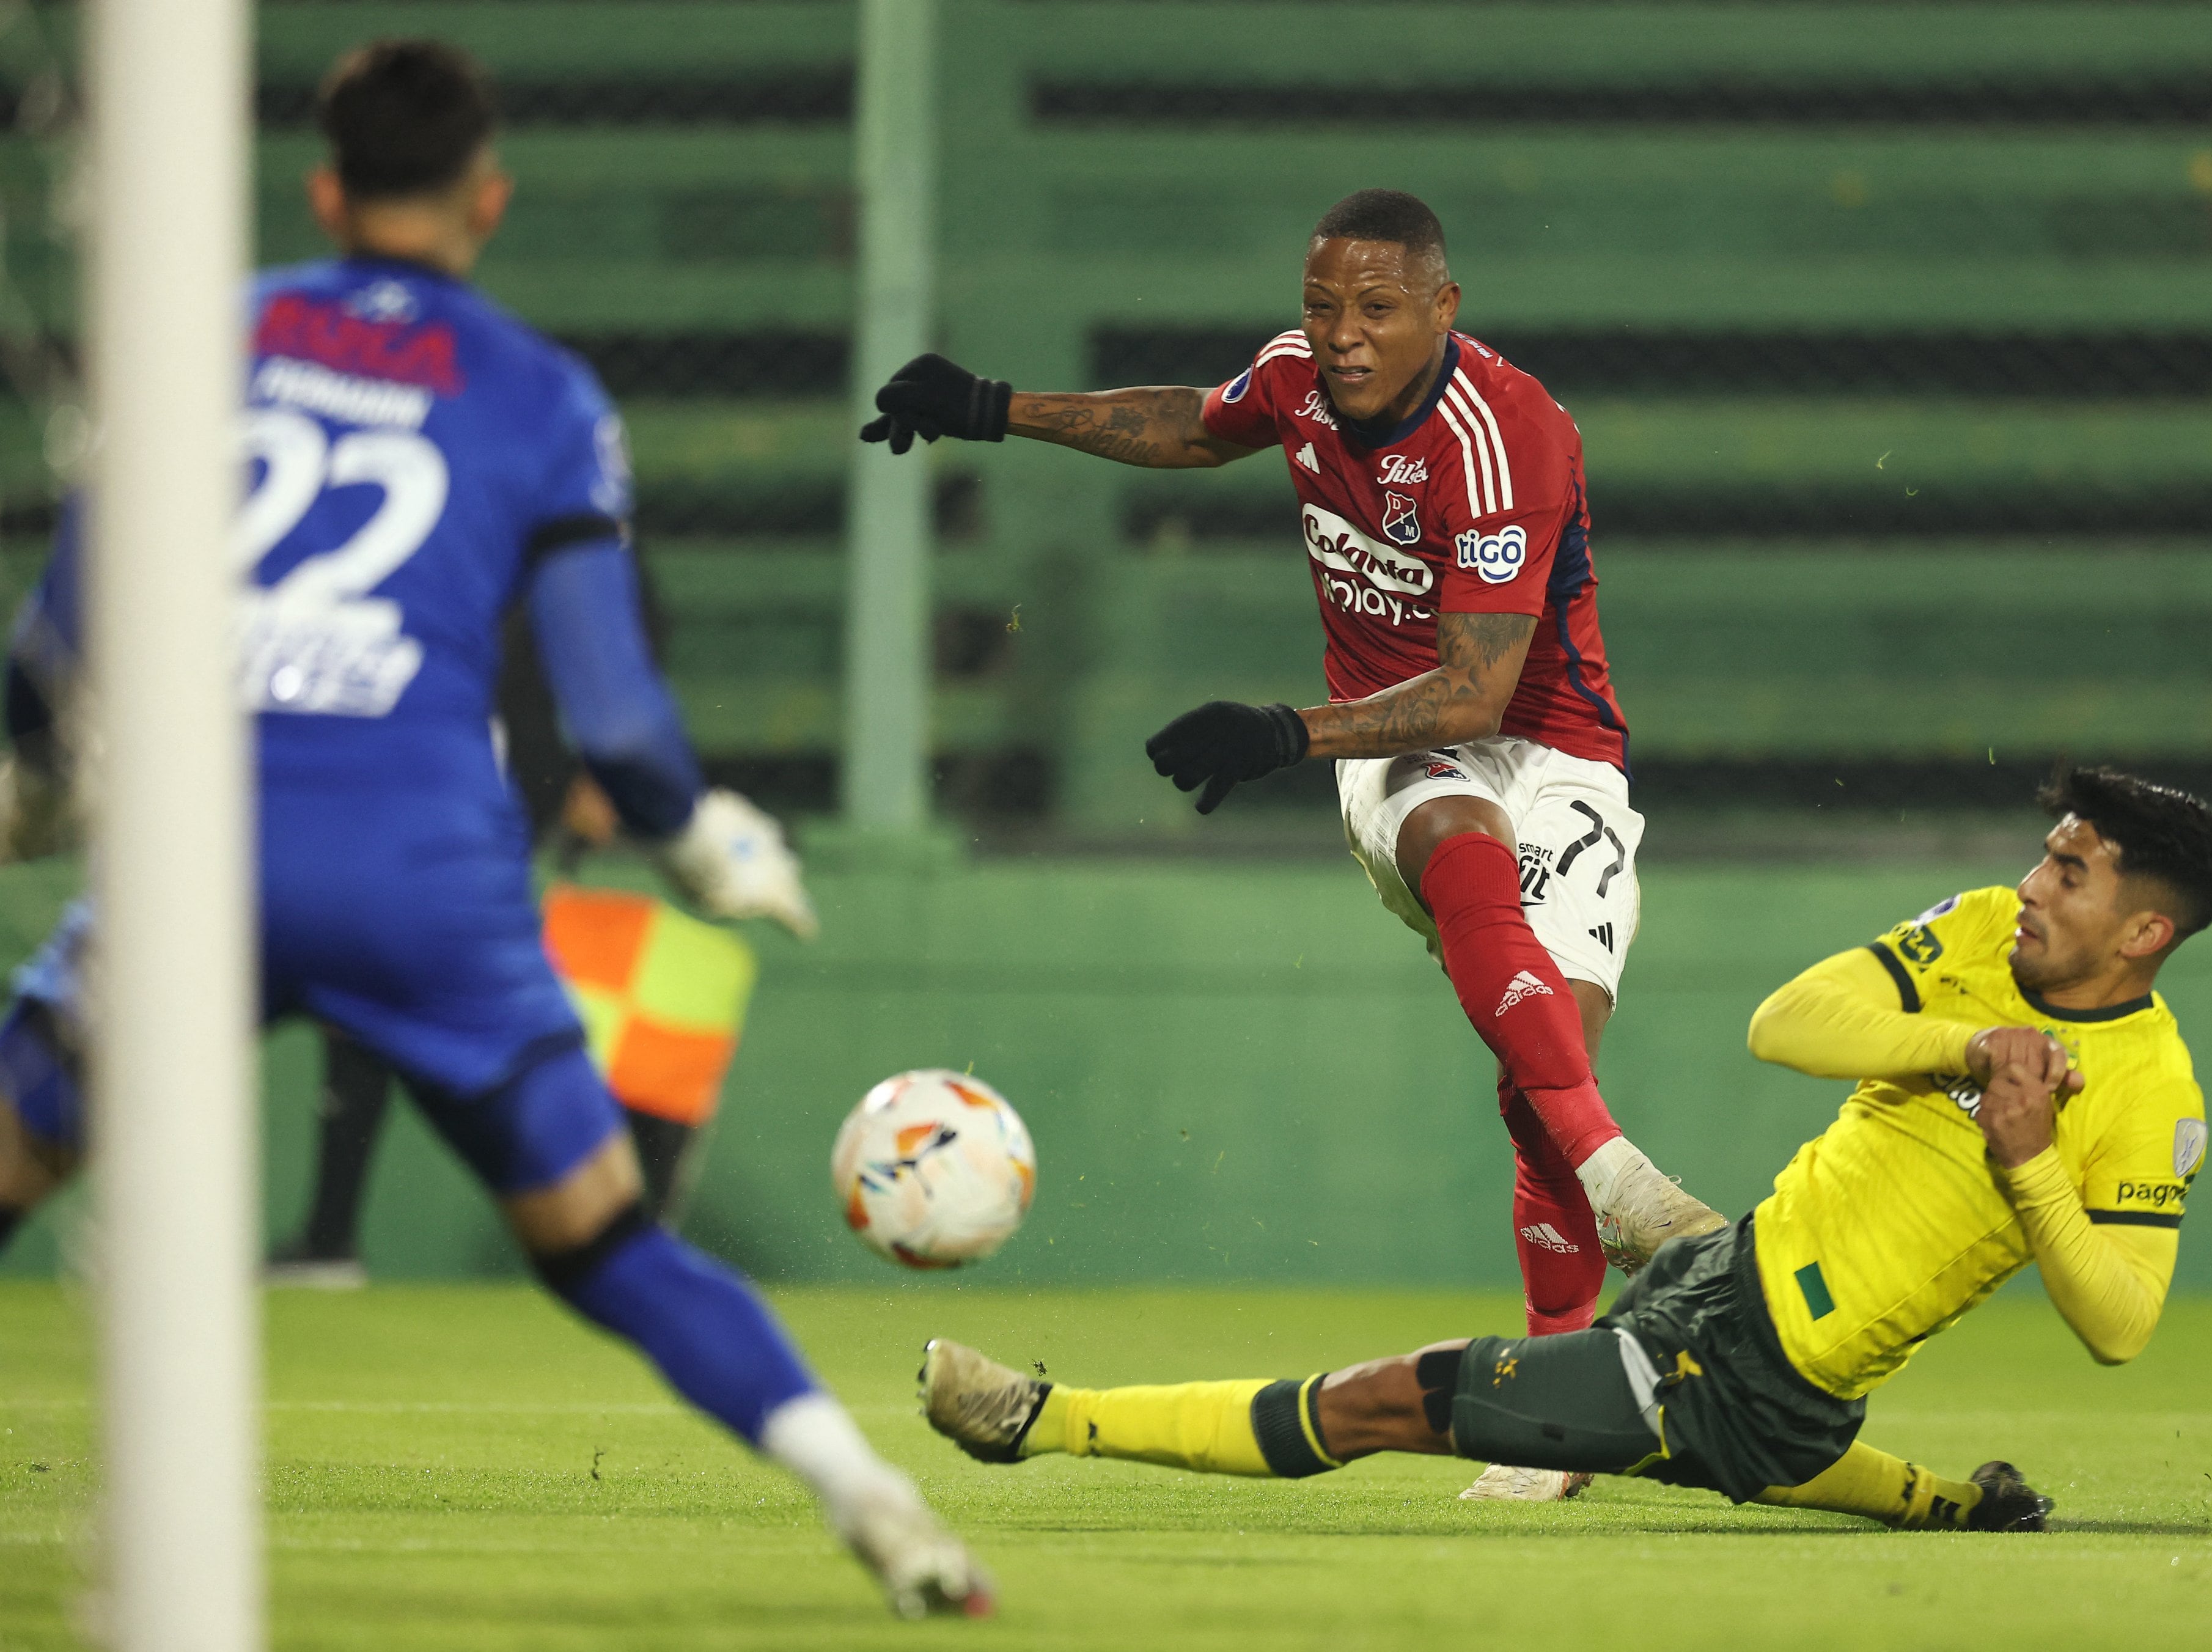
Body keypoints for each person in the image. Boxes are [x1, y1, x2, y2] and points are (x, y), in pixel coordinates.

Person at [0, 40, 986, 1617]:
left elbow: (65, 626)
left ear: (325, 188)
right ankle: (864, 1492)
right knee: (607, 1248)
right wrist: (702, 836)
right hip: (423, 871)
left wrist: (41, 788)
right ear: (490, 198)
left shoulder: (203, 328)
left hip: (202, 848)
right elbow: (612, 723)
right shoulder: (540, 394)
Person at [859, 189, 1714, 1500]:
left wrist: (1277, 729)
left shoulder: (1508, 436)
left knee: (1537, 1071)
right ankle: (1621, 1181)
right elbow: (1196, 429)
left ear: (1444, 306)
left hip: (1556, 755)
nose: (1341, 338)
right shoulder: (1291, 381)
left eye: (1374, 309)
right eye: (1322, 308)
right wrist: (995, 407)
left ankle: (1554, 1405)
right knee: (1452, 833)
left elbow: (1480, 691)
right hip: (1392, 747)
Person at [917, 768, 2212, 1535]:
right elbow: (1783, 1024)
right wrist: (1965, 1051)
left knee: (1395, 1396)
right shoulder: (1973, 936)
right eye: (2043, 851)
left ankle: (1045, 1420)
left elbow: (2120, 1323)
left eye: (2070, 873)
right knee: (1755, 1421)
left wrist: (2025, 1160)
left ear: (2142, 933)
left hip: (1752, 1362)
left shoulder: (2147, 1090)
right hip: (1734, 1271)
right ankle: (1956, 1504)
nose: (2029, 880)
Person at [268, 564, 737, 1288]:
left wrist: (596, 774)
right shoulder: (479, 524)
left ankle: (629, 1229)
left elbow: (625, 657)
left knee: (584, 1011)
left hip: (502, 800)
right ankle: (330, 1238)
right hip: (447, 790)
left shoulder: (578, 536)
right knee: (374, 998)